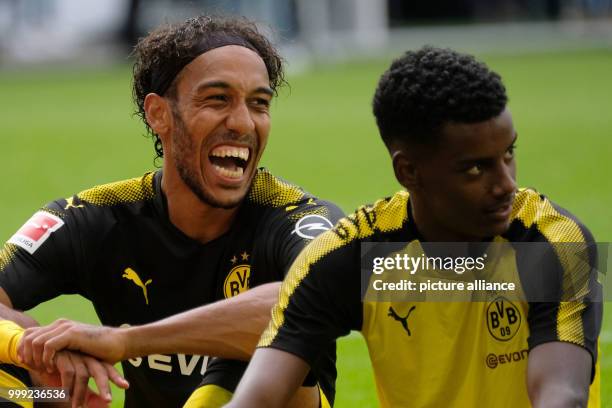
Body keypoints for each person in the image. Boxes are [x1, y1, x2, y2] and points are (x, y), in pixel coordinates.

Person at [226, 46, 603, 408]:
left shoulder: (552, 243)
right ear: (408, 171)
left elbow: (561, 397)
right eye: (476, 168)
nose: (505, 183)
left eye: (508, 154)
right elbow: (256, 398)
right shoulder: (351, 258)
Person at [0, 15, 343, 408]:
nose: (243, 123)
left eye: (259, 104)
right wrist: (35, 354)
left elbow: (305, 302)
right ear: (159, 114)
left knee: (250, 360)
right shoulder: (94, 216)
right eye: (218, 99)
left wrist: (124, 342)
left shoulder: (298, 219)